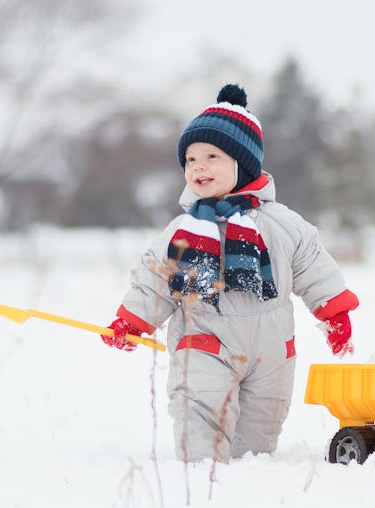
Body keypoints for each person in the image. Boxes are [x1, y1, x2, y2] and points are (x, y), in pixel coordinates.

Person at [101, 83, 359, 463]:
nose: (198, 166)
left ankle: (246, 487)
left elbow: (313, 266)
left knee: (256, 444)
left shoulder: (283, 224)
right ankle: (202, 482)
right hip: (205, 345)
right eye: (190, 160)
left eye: (211, 156)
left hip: (270, 355)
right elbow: (155, 280)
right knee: (200, 424)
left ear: (244, 163)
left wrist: (335, 313)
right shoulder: (183, 232)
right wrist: (132, 321)